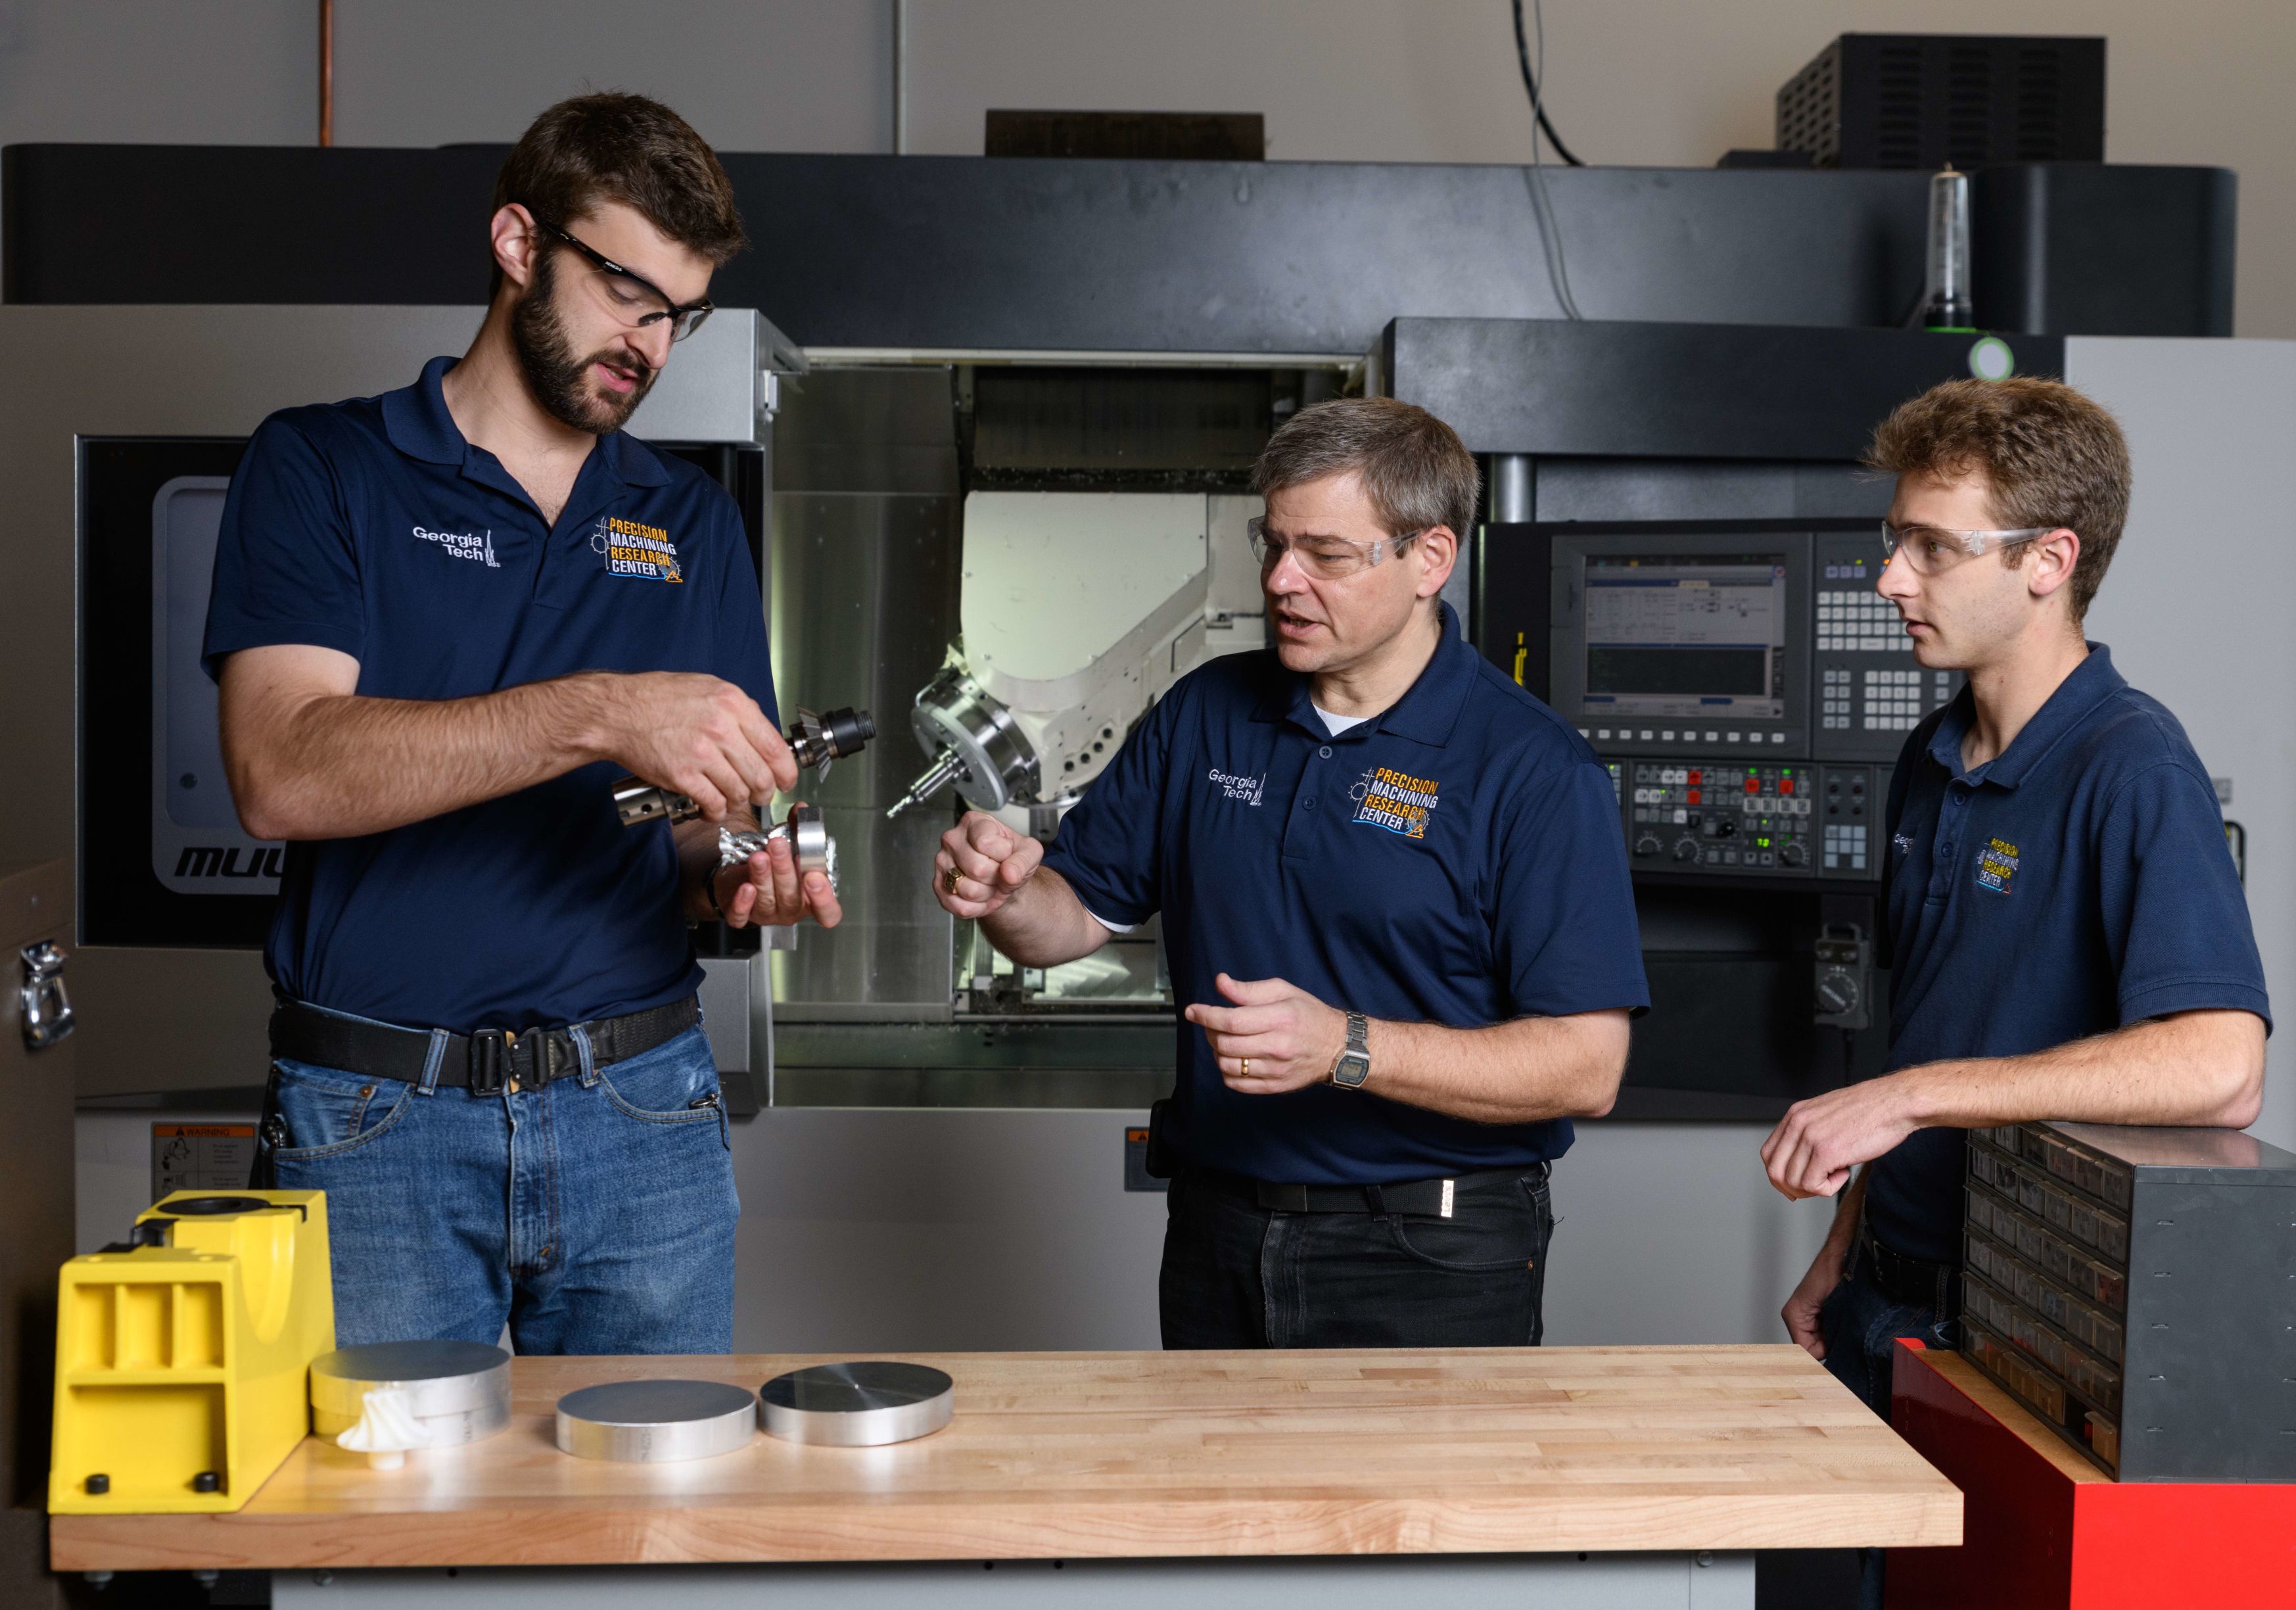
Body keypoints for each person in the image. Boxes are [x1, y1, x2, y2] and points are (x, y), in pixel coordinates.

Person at [207, 94, 839, 1353]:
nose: (650, 344)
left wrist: (740, 872)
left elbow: (693, 835)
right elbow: (280, 772)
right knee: (384, 1532)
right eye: (624, 290)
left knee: (650, 1527)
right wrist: (598, 711)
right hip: (377, 1114)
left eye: (679, 311)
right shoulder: (322, 468)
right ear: (515, 243)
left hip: (643, 1106)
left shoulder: (688, 520)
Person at [929, 397, 1647, 1348]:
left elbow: (1586, 1068)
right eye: (1272, 543)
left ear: (1429, 558)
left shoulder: (1532, 768)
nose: (1280, 580)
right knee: (1215, 1501)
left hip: (1429, 1249)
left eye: (1326, 554)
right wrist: (1010, 895)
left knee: (1413, 1507)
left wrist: (1346, 1046)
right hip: (1215, 1228)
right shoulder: (1207, 713)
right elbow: (1073, 917)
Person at [1762, 377, 2268, 1603]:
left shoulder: (2131, 768)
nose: (1892, 578)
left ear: (2050, 560)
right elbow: (1929, 1017)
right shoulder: (1926, 762)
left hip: (2018, 1347)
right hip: (1887, 1301)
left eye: (1933, 547)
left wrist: (1911, 1098)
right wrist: (1847, 1240)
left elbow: (2220, 1063)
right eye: (1897, 540)